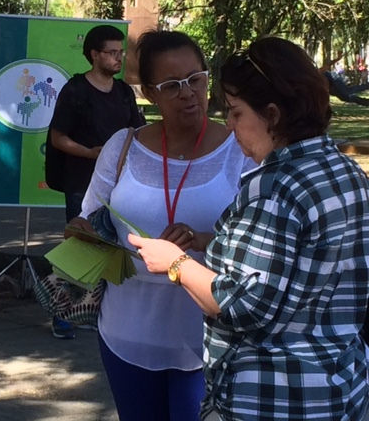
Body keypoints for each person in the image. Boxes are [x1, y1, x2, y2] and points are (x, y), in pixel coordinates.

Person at [129, 36, 369, 420]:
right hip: (339, 384)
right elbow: (304, 260)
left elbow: (239, 305)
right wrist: (215, 243)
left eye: (237, 113)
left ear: (272, 115)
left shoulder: (274, 189)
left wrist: (175, 263)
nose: (230, 126)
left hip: (273, 396)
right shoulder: (345, 172)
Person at [66, 30, 256, 420]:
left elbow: (260, 241)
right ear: (150, 93)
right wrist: (82, 232)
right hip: (125, 332)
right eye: (171, 85)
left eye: (195, 79)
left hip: (208, 339)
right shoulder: (122, 146)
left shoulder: (242, 151)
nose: (188, 93)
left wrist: (204, 241)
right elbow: (90, 220)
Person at [44, 24, 145, 339]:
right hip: (81, 181)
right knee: (80, 245)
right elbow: (58, 138)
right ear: (94, 55)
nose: (118, 58)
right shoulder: (75, 90)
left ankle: (102, 310)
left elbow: (138, 133)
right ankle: (62, 313)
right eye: (112, 53)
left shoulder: (124, 92)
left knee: (119, 246)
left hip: (121, 184)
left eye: (120, 52)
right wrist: (91, 153)